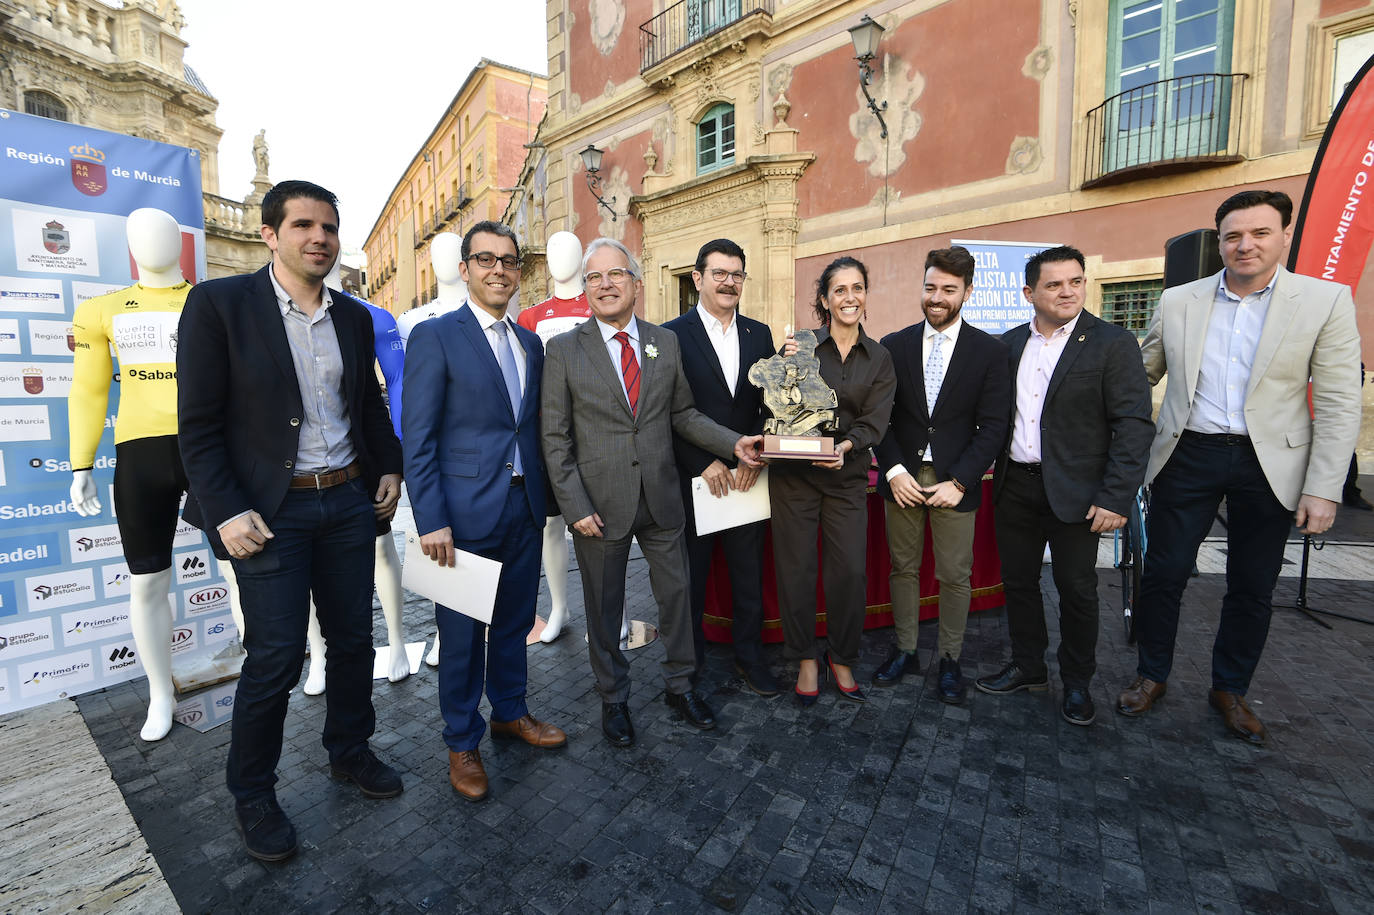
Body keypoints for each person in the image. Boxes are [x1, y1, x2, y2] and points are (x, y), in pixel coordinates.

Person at [177, 180, 404, 862]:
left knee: (353, 639)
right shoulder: (220, 305)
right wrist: (224, 511)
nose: (320, 237)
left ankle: (349, 750)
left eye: (330, 226)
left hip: (346, 501)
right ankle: (253, 792)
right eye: (303, 224)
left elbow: (367, 404)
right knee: (275, 656)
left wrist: (387, 463)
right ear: (270, 234)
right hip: (268, 512)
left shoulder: (356, 317)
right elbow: (198, 426)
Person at [1116, 190, 1362, 743]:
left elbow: (1342, 400)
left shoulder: (1324, 301)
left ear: (1283, 236)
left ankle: (1229, 688)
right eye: (1232, 235)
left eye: (1259, 233)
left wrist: (1323, 487)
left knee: (1252, 584)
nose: (1245, 245)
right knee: (1164, 574)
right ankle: (1151, 675)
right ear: (1219, 239)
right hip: (1189, 453)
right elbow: (1140, 374)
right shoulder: (1180, 300)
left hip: (1270, 463)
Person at [540, 238, 764, 747]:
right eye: (593, 278)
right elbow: (554, 438)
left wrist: (735, 443)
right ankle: (613, 698)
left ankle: (680, 686)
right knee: (603, 606)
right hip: (599, 507)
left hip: (663, 499)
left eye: (615, 274)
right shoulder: (565, 350)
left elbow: (682, 415)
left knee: (678, 598)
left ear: (636, 284)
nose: (604, 285)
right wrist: (574, 506)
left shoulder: (664, 343)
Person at [404, 220, 566, 802]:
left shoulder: (529, 343)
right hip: (463, 516)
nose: (499, 269)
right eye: (486, 259)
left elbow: (532, 427)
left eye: (509, 260)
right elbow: (417, 437)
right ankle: (461, 740)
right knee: (462, 634)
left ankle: (510, 714)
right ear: (468, 268)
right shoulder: (436, 335)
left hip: (523, 507)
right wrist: (430, 519)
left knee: (514, 622)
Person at [975, 245, 1152, 727]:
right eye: (1054, 284)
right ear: (1029, 292)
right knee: (1018, 584)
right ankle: (1028, 666)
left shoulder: (1112, 344)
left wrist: (1116, 497)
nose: (1067, 291)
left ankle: (1077, 683)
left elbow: (1134, 426)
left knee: (1077, 590)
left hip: (1080, 496)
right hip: (1015, 486)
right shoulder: (1006, 345)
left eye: (1075, 281)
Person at [67, 207, 192, 742]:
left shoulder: (211, 301)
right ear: (129, 245)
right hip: (140, 450)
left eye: (163, 232)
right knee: (146, 580)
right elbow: (90, 389)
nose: (154, 242)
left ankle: (275, 662)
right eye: (141, 234)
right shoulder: (101, 310)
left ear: (179, 241)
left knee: (243, 565)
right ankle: (160, 693)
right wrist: (80, 463)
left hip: (208, 445)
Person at [872, 246, 1010, 702]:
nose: (937, 297)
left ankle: (950, 659)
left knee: (954, 574)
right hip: (903, 480)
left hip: (956, 482)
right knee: (903, 568)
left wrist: (960, 482)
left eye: (948, 289)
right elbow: (881, 419)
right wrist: (892, 470)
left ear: (967, 292)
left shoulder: (990, 352)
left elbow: (994, 426)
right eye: (930, 287)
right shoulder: (894, 345)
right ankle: (906, 649)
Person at [770, 256, 895, 707]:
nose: (849, 297)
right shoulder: (799, 346)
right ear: (824, 299)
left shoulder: (879, 357)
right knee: (797, 569)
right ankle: (805, 657)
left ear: (865, 295)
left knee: (849, 572)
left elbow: (876, 420)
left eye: (857, 288)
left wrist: (847, 446)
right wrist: (783, 371)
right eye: (839, 290)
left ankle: (842, 656)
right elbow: (780, 409)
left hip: (847, 476)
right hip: (795, 478)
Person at [663, 239, 778, 697]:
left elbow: (766, 406)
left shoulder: (760, 334)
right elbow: (666, 411)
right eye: (720, 273)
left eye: (737, 274)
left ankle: (751, 658)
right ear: (698, 279)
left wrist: (756, 456)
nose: (729, 282)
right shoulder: (670, 335)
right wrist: (704, 461)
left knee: (748, 576)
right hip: (697, 480)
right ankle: (688, 668)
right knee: (690, 580)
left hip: (749, 477)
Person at [517, 230, 592, 644]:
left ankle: (611, 610)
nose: (562, 259)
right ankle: (559, 606)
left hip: (595, 434)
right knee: (551, 526)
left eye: (571, 251)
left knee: (603, 523)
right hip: (550, 435)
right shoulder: (531, 316)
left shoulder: (597, 305)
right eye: (554, 252)